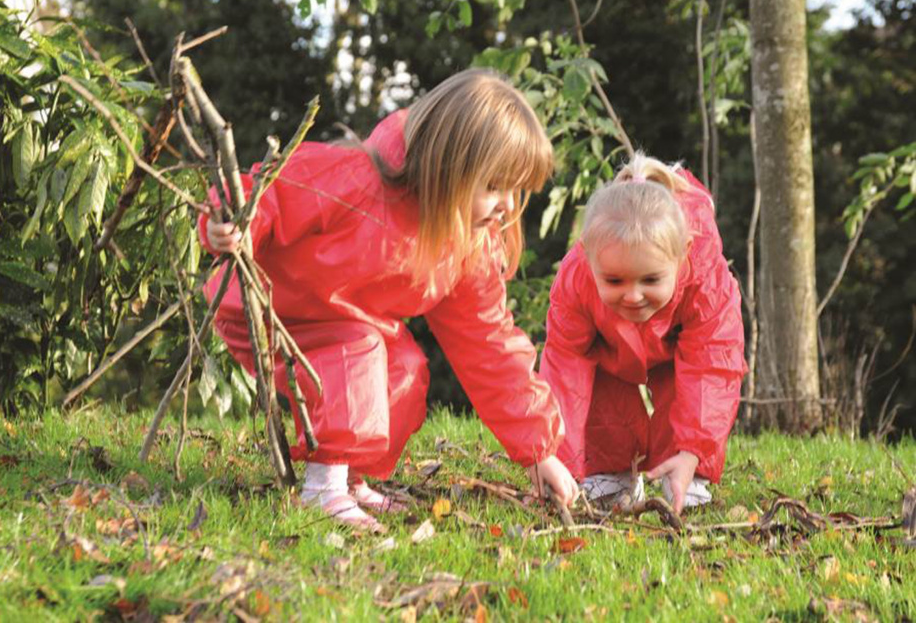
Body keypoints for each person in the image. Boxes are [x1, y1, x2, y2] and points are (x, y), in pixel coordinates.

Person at [200, 69, 578, 531]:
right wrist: (229, 223)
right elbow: (269, 190)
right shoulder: (355, 182)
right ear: (449, 168)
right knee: (359, 347)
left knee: (405, 370)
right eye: (494, 186)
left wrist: (539, 453)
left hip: (346, 325)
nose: (506, 206)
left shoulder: (467, 244)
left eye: (516, 190)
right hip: (267, 307)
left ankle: (354, 478)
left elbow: (490, 346)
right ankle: (324, 488)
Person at [539, 153, 746, 514]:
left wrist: (693, 450)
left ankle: (680, 469)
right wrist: (556, 457)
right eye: (615, 280)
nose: (633, 296)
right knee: (599, 386)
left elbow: (713, 363)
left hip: (676, 351)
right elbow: (564, 368)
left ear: (682, 256)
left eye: (650, 280)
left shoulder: (706, 279)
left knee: (682, 388)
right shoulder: (576, 280)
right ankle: (608, 470)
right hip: (609, 352)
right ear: (589, 257)